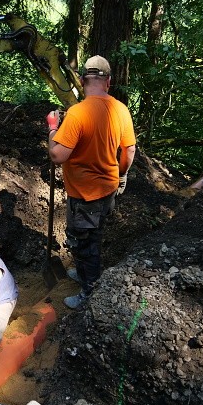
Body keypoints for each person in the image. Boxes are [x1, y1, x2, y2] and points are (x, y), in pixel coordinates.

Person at [46, 55, 136, 310]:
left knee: (86, 243)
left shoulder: (77, 114)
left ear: (84, 80)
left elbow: (57, 155)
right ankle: (85, 273)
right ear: (108, 81)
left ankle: (90, 291)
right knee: (92, 236)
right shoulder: (121, 109)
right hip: (108, 189)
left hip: (85, 194)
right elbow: (129, 151)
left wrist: (53, 128)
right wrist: (120, 175)